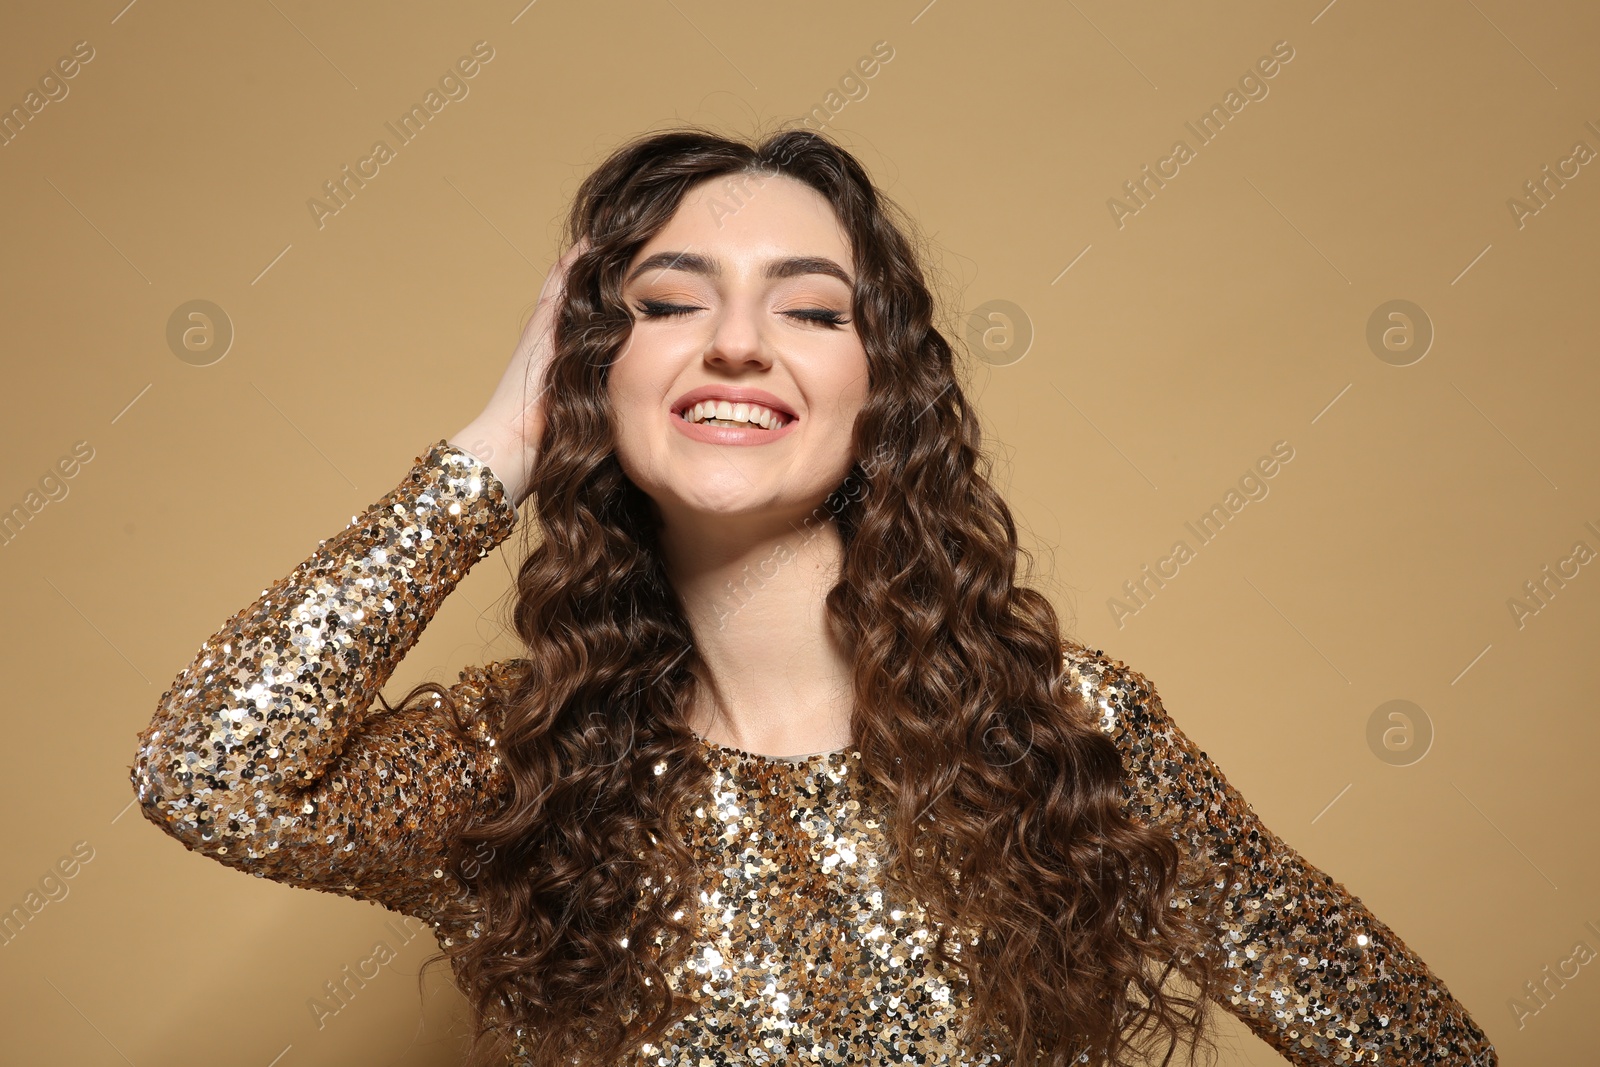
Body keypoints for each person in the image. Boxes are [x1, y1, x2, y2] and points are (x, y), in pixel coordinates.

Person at [129, 127, 1496, 1067]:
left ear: (880, 386)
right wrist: (496, 447)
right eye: (668, 304)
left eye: (810, 308)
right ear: (596, 368)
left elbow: (1415, 1043)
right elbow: (208, 773)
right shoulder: (519, 771)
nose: (735, 339)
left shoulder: (1065, 736)